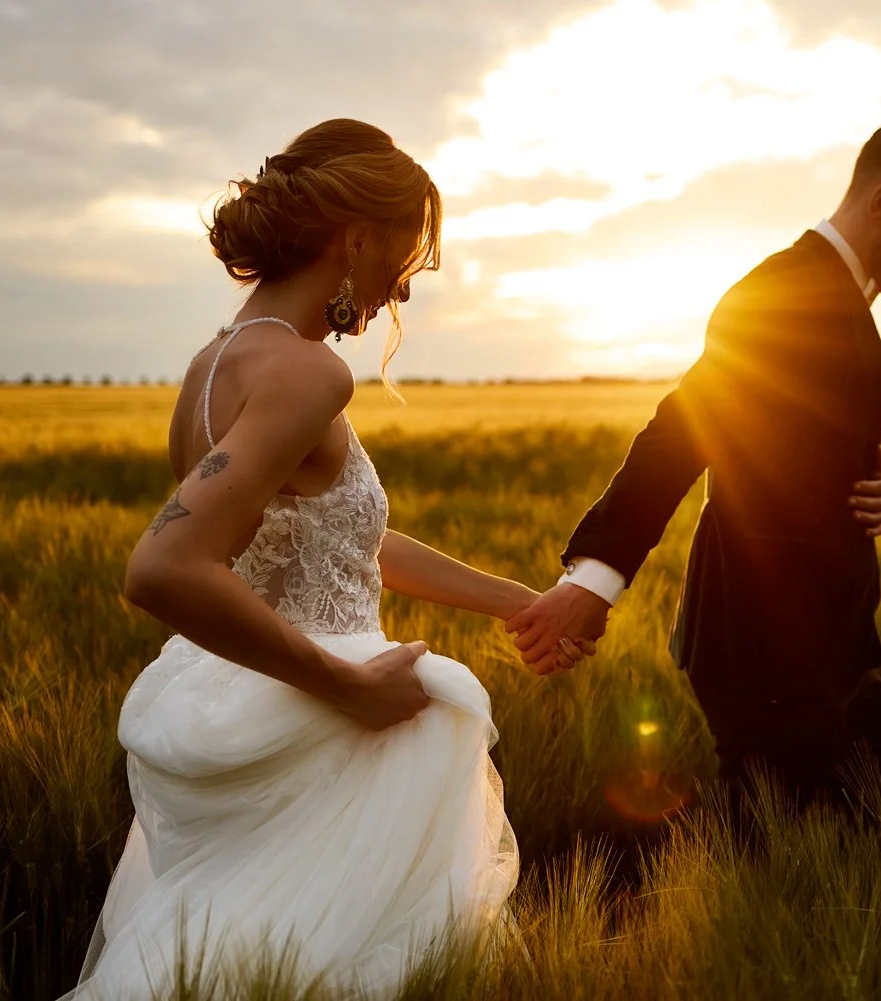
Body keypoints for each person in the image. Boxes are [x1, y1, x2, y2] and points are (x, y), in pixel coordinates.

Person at [63, 119, 593, 999]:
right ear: (355, 237)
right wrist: (344, 685)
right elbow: (163, 566)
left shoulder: (212, 365)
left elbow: (341, 544)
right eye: (406, 255)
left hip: (231, 690)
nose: (404, 288)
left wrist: (514, 601)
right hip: (320, 721)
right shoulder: (309, 373)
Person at [508, 118, 881, 816]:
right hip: (769, 639)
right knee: (784, 856)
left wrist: (874, 472)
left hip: (832, 639)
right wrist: (596, 578)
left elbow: (794, 429)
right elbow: (683, 430)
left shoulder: (838, 296)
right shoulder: (783, 293)